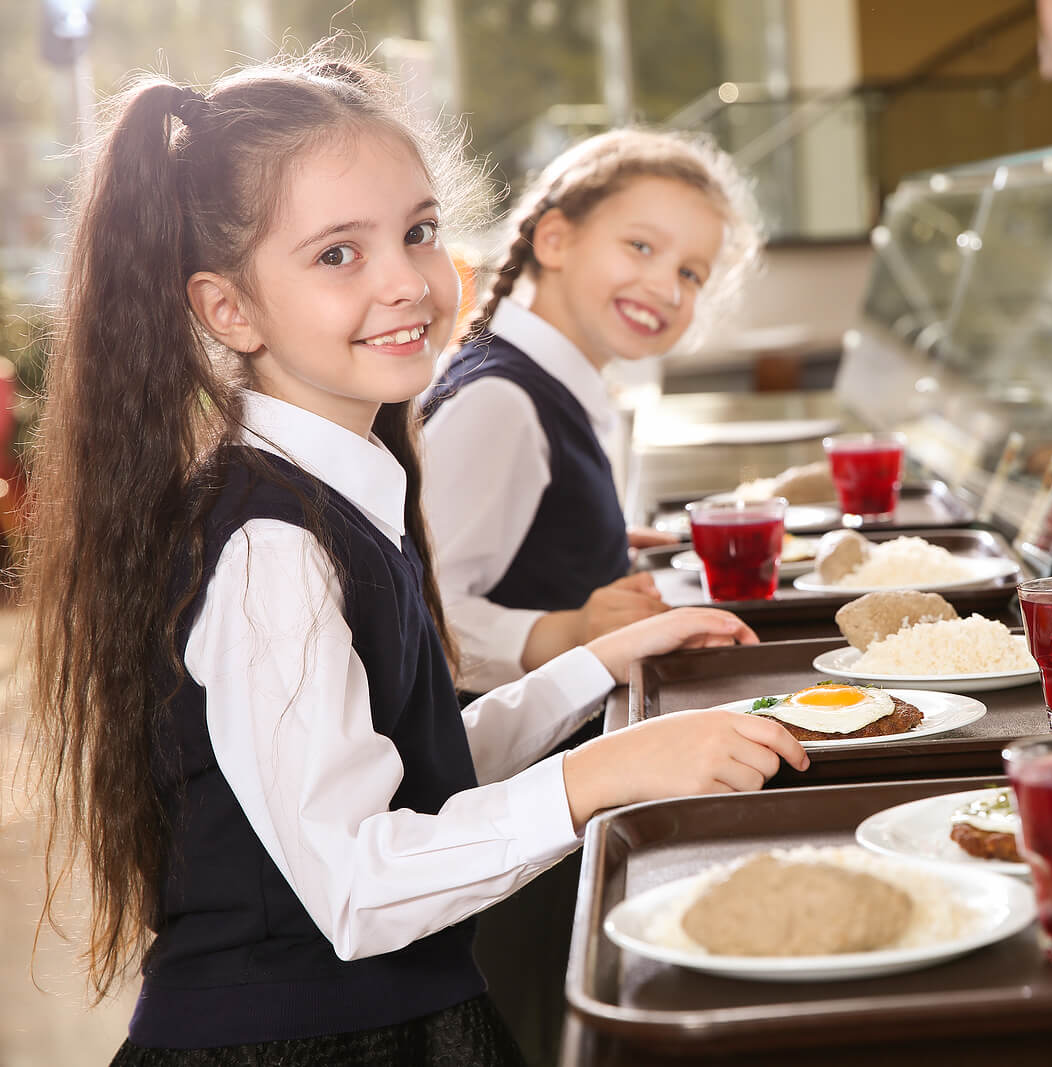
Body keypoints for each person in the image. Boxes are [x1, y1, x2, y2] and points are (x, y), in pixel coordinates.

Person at [21, 48, 806, 1066]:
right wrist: (600, 772)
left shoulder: (343, 489)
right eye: (337, 254)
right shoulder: (269, 548)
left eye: (419, 232)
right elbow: (356, 881)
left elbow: (408, 770)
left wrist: (592, 669)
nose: (407, 281)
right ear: (229, 309)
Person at [420, 127, 764, 694]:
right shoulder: (502, 405)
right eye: (641, 247)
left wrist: (595, 542)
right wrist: (571, 629)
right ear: (554, 240)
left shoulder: (550, 386)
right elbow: (425, 618)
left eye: (690, 274)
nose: (668, 289)